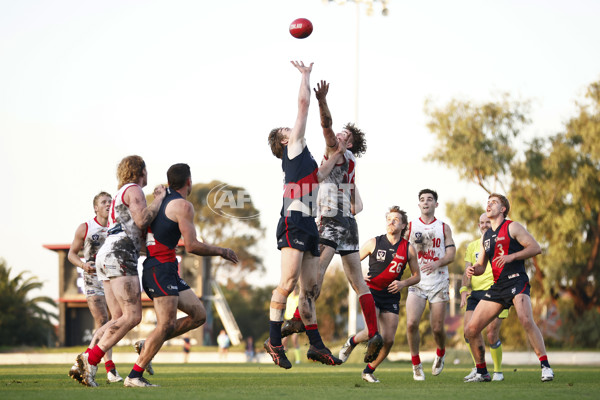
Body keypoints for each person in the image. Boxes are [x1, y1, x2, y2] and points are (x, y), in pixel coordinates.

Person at [281, 80, 383, 364]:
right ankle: (373, 333)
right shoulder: (350, 161)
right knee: (358, 282)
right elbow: (358, 205)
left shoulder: (336, 151)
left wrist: (322, 100)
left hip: (331, 221)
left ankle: (300, 319)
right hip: (349, 222)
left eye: (344, 134)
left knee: (315, 274)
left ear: (348, 142)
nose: (338, 134)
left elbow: (326, 126)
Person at [124, 163, 239, 387]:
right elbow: (192, 246)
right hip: (159, 268)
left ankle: (148, 343)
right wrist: (222, 251)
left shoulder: (160, 200)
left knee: (199, 315)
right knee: (165, 324)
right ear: (189, 181)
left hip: (165, 268)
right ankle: (134, 376)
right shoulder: (183, 206)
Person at [265, 61, 343, 369]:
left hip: (308, 223)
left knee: (308, 290)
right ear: (285, 140)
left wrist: (339, 152)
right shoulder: (293, 148)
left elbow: (321, 174)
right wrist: (306, 76)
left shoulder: (305, 158)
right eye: (287, 129)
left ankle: (316, 347)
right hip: (293, 219)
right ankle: (274, 341)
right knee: (286, 283)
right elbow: (302, 106)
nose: (292, 128)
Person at [74, 155, 166, 387]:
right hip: (120, 254)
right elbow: (142, 219)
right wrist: (159, 199)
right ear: (140, 171)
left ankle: (84, 362)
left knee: (116, 318)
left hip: (107, 254)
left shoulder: (118, 194)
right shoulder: (134, 189)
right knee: (133, 315)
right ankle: (90, 359)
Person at [464, 193, 554, 383]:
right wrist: (474, 269)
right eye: (487, 202)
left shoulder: (512, 226)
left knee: (526, 320)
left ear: (503, 209)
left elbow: (535, 247)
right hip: (498, 286)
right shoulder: (486, 236)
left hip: (516, 280)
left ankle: (545, 367)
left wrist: (511, 257)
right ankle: (482, 372)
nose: (489, 205)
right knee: (471, 329)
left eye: (494, 203)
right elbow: (481, 266)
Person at [339, 206, 421, 383]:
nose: (391, 222)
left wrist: (403, 283)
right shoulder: (374, 242)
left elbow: (417, 276)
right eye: (389, 219)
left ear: (403, 225)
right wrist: (359, 277)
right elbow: (349, 262)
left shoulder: (408, 249)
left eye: (395, 220)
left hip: (391, 297)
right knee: (371, 332)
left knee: (389, 340)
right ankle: (351, 342)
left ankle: (368, 371)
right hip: (371, 293)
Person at [67, 192, 123, 384]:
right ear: (96, 208)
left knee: (117, 320)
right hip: (92, 279)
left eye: (110, 202)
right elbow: (71, 254)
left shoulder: (117, 226)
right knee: (102, 320)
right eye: (104, 202)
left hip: (112, 277)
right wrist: (83, 265)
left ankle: (86, 361)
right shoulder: (85, 227)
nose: (108, 205)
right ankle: (109, 369)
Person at [405, 189, 456, 381]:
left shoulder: (443, 227)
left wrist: (437, 262)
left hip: (439, 281)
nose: (425, 202)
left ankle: (441, 353)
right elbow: (400, 251)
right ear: (419, 205)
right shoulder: (410, 227)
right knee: (411, 324)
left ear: (436, 204)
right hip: (417, 281)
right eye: (422, 200)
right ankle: (416, 365)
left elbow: (451, 254)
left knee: (436, 328)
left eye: (429, 199)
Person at [460, 212, 508, 382]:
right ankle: (479, 368)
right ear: (478, 225)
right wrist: (464, 290)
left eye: (487, 222)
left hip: (495, 291)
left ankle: (498, 371)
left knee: (491, 334)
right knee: (469, 332)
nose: (484, 225)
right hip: (476, 293)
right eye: (481, 222)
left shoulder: (500, 242)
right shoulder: (472, 246)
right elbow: (467, 269)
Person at [281, 287, 301, 364]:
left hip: (296, 321)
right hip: (288, 321)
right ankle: (285, 358)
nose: (294, 291)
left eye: (296, 289)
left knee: (294, 340)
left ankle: (298, 360)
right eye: (293, 290)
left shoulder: (298, 298)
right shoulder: (288, 298)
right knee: (284, 340)